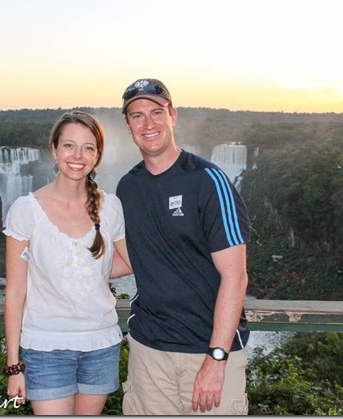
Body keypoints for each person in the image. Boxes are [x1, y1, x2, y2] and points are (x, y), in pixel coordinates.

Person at [116, 78, 251, 415]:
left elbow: (236, 277)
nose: (148, 123)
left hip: (206, 353)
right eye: (137, 115)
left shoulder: (208, 181)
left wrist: (217, 357)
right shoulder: (128, 187)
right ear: (127, 124)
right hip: (148, 353)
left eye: (156, 112)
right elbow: (129, 259)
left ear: (172, 115)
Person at [3, 111, 131, 415]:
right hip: (46, 347)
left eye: (88, 147)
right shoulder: (26, 210)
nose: (78, 155)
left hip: (101, 345)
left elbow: (129, 261)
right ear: (54, 149)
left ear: (97, 155)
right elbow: (16, 292)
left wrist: (88, 273)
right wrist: (13, 365)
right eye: (69, 146)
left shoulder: (110, 207)